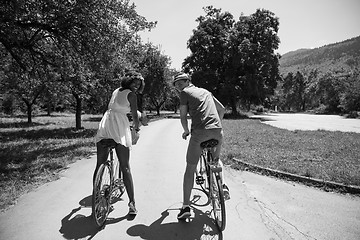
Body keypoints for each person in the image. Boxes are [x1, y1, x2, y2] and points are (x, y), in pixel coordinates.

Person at [173, 72, 230, 220]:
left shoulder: (185, 93)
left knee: (190, 168)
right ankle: (222, 185)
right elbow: (222, 109)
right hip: (217, 131)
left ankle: (186, 207)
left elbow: (183, 116)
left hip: (199, 133)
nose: (178, 88)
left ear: (187, 82)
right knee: (216, 160)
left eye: (180, 83)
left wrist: (186, 131)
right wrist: (217, 126)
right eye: (176, 85)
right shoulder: (206, 91)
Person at [93, 71, 145, 215]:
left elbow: (113, 108)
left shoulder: (116, 91)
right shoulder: (132, 95)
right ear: (127, 81)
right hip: (119, 128)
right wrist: (136, 128)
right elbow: (134, 116)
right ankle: (132, 203)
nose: (136, 86)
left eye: (139, 84)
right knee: (125, 167)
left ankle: (96, 198)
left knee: (99, 165)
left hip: (105, 126)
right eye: (134, 82)